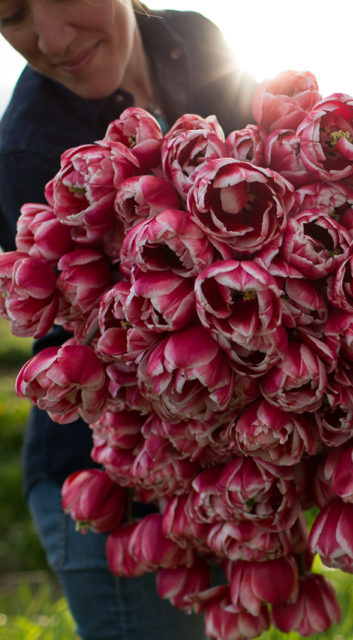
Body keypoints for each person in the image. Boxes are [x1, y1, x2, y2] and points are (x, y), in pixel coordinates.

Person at [0, 2, 256, 638]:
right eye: (10, 16)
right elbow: (114, 351)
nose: (52, 40)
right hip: (113, 488)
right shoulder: (29, 148)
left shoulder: (191, 39)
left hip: (233, 468)